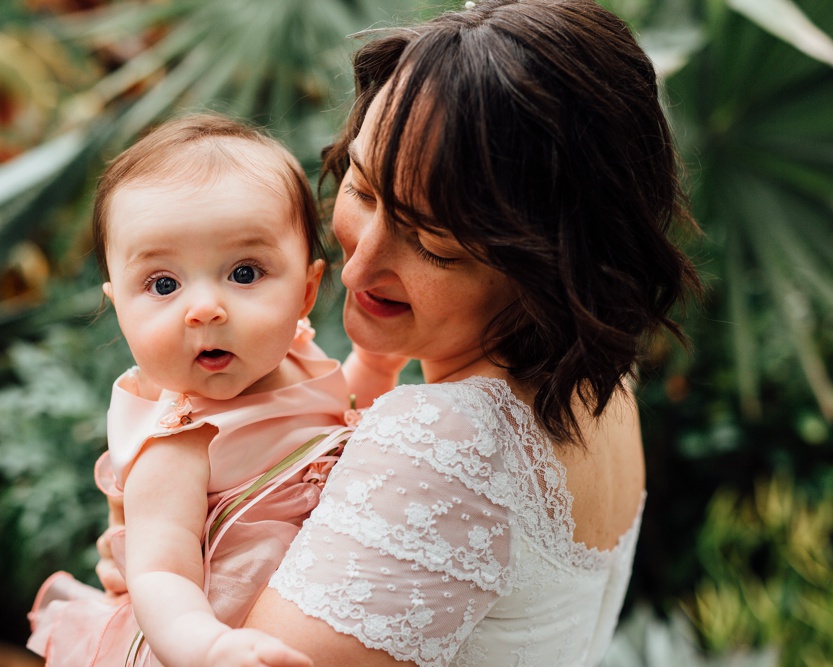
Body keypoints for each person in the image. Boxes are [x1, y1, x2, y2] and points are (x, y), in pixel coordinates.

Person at [99, 0, 703, 665]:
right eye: (362, 187)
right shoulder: (602, 380)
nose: (357, 264)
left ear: (550, 260)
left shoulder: (451, 446)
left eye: (430, 241)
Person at [27, 113, 368, 667]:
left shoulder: (299, 354)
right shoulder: (180, 441)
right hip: (219, 639)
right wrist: (208, 647)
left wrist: (374, 367)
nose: (204, 308)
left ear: (306, 292)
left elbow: (336, 414)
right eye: (163, 284)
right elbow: (160, 572)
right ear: (121, 311)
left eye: (244, 273)